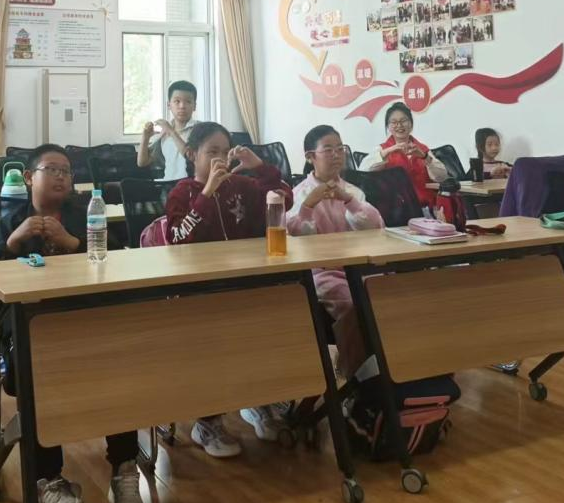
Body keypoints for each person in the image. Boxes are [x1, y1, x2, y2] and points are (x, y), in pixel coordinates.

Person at [0, 145, 143, 503]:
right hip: (29, 329)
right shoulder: (12, 219)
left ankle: (124, 467)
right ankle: (47, 478)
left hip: (86, 320)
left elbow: (117, 263)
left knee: (119, 362)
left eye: (66, 171)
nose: (61, 177)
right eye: (51, 169)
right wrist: (13, 243)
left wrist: (73, 243)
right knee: (37, 370)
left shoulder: (86, 215)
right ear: (29, 177)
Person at [164, 122, 294, 457]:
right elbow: (178, 240)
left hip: (246, 282)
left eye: (225, 152)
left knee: (278, 321)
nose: (220, 159)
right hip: (199, 290)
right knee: (214, 339)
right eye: (212, 152)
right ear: (192, 154)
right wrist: (207, 193)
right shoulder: (182, 193)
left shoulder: (241, 186)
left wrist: (260, 167)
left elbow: (284, 200)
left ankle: (260, 401)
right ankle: (208, 421)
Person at [288, 125, 384, 377]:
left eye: (340, 149)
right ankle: (358, 377)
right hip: (322, 272)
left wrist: (348, 200)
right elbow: (295, 236)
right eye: (328, 149)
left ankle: (392, 368)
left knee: (389, 295)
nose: (336, 155)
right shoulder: (298, 194)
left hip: (359, 267)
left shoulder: (352, 191)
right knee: (355, 304)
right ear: (311, 156)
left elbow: (375, 228)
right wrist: (309, 205)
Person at [358, 102, 448, 207]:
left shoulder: (422, 149)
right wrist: (387, 151)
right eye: (394, 122)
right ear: (388, 126)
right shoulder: (382, 149)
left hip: (426, 209)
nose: (399, 125)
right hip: (396, 210)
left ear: (411, 124)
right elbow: (362, 172)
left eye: (403, 121)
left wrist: (425, 157)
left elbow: (441, 177)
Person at [137, 80, 198, 181]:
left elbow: (190, 157)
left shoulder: (200, 130)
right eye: (177, 101)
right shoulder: (164, 133)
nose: (182, 106)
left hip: (191, 185)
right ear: (169, 105)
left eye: (188, 102)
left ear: (194, 106)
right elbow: (142, 162)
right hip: (168, 186)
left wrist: (171, 131)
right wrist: (145, 137)